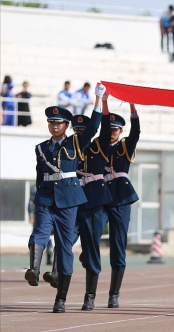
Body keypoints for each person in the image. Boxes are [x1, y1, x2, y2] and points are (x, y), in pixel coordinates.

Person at [25, 83, 105, 313]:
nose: (54, 126)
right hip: (45, 197)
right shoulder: (41, 148)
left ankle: (61, 298)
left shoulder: (76, 142)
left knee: (64, 245)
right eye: (51, 122)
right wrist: (37, 200)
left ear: (66, 126)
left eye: (58, 123)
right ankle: (34, 270)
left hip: (69, 199)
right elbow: (40, 175)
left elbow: (95, 127)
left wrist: (98, 101)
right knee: (39, 232)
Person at [72, 97, 112, 311]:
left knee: (92, 249)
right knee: (63, 239)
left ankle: (90, 296)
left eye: (82, 130)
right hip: (73, 197)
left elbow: (105, 127)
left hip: (95, 198)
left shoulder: (100, 144)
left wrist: (104, 102)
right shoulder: (71, 146)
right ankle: (58, 279)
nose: (79, 133)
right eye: (76, 130)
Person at [103, 98, 141, 308]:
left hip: (120, 198)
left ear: (120, 131)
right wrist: (104, 102)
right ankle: (88, 255)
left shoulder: (125, 145)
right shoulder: (98, 145)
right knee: (89, 231)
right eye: (109, 129)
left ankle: (113, 294)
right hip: (99, 196)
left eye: (115, 130)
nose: (112, 133)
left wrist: (133, 108)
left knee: (118, 245)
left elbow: (136, 132)